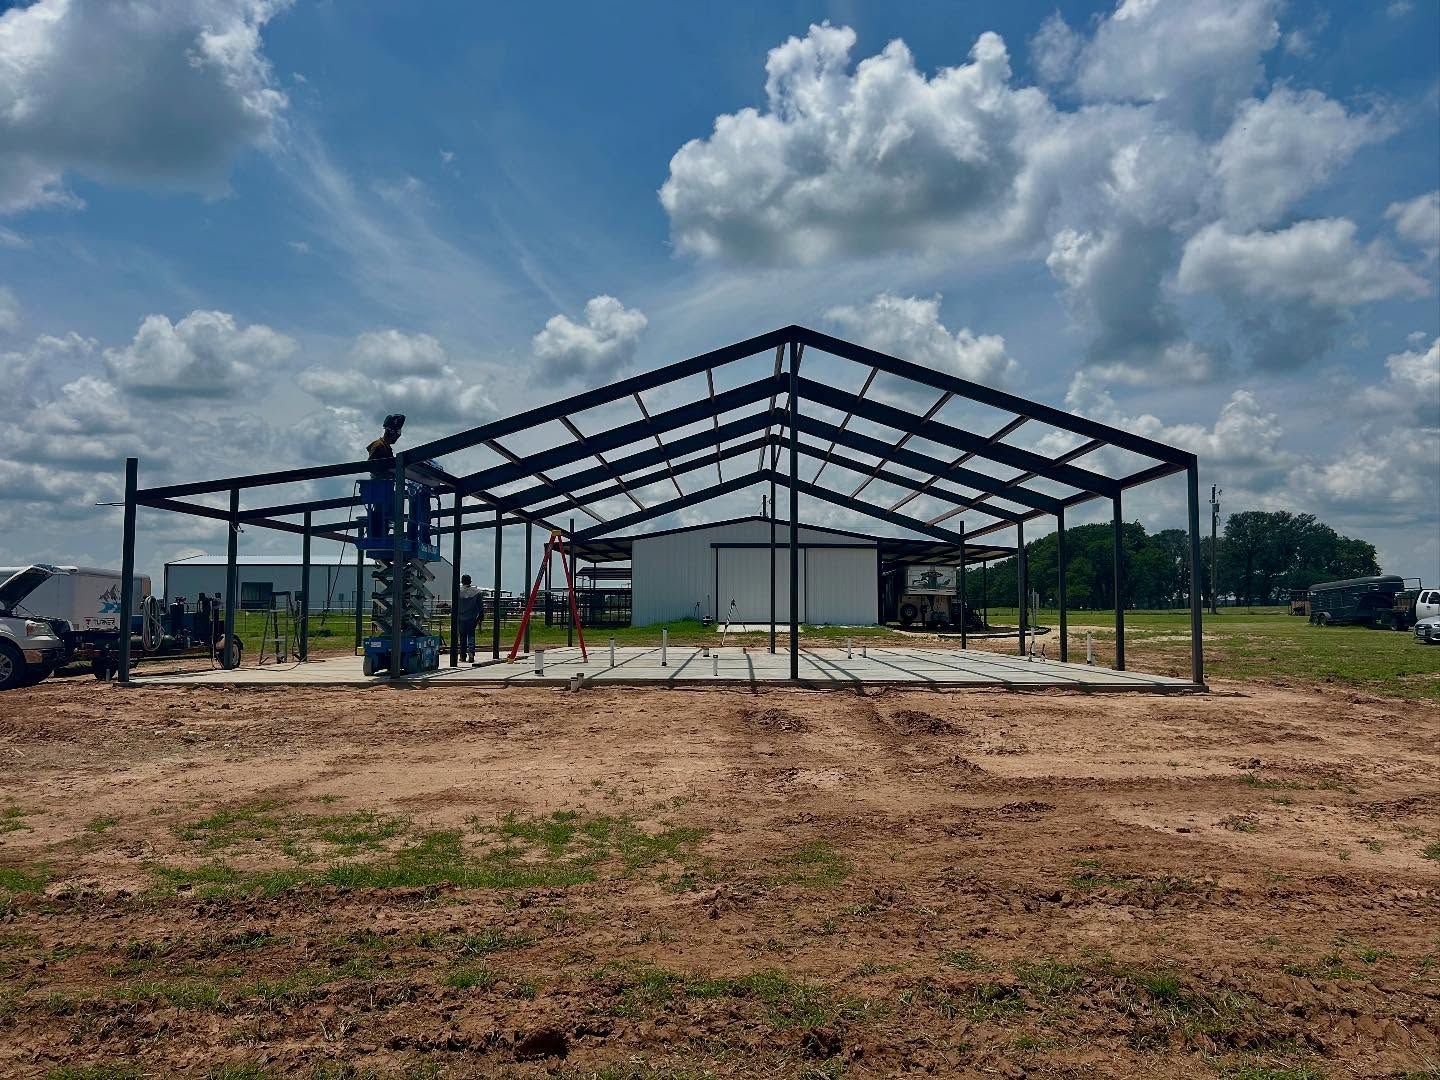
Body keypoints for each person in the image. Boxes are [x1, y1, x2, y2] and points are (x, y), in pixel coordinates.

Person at [456, 574, 482, 663]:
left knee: (462, 637)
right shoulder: (477, 592)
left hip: (460, 617)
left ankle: (462, 655)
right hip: (472, 617)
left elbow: (455, 605)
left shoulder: (457, 591)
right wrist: (481, 616)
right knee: (471, 636)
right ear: (470, 581)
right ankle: (471, 653)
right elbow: (480, 606)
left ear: (462, 581)